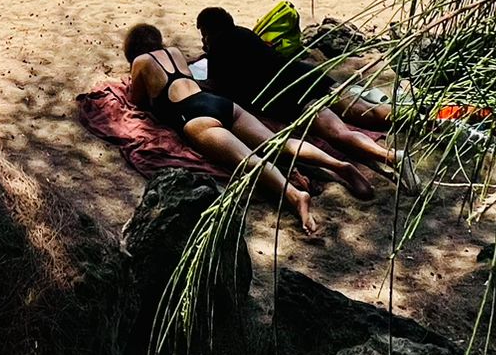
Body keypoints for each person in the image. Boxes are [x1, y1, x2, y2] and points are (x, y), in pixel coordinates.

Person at [124, 23, 368, 238]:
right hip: (219, 103)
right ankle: (337, 164)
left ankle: (295, 196)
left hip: (193, 117)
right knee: (278, 141)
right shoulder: (174, 52)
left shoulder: (140, 62)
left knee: (248, 160)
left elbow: (136, 101)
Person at [194, 9, 404, 184]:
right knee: (369, 111)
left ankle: (392, 157)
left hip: (294, 95)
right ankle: (435, 117)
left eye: (204, 34)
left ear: (211, 31)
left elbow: (217, 86)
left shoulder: (220, 46)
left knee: (339, 134)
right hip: (307, 75)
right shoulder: (244, 33)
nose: (203, 39)